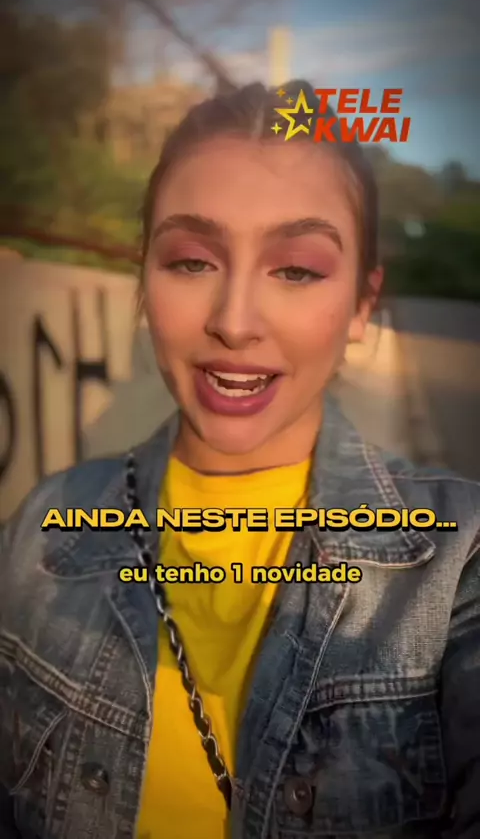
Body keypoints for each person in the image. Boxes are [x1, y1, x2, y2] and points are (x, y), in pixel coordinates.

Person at [0, 80, 479, 839]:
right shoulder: (39, 530)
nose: (233, 321)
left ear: (362, 304)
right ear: (144, 279)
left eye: (296, 270)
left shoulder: (458, 560)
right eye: (192, 261)